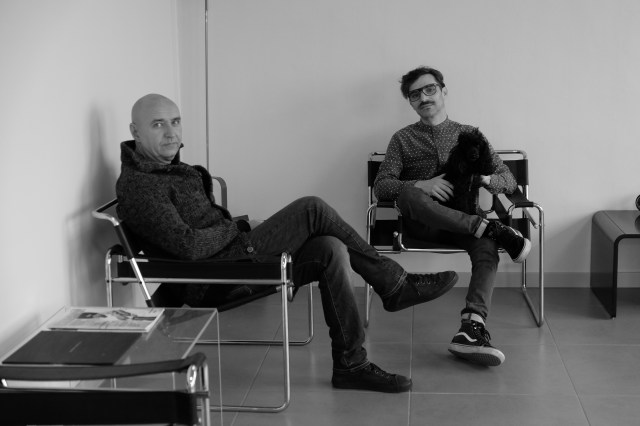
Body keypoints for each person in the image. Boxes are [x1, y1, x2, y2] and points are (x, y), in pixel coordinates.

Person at [116, 93, 460, 393]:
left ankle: (351, 364)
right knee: (312, 208)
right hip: (215, 277)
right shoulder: (142, 186)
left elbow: (198, 233)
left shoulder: (169, 171)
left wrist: (240, 227)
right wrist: (238, 229)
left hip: (230, 258)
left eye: (175, 121)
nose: (171, 132)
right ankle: (395, 285)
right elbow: (188, 246)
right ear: (135, 131)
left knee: (330, 247)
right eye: (158, 124)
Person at [374, 67, 532, 367]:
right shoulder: (402, 139)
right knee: (408, 195)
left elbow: (508, 180)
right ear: (410, 102)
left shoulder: (470, 135)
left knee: (486, 246)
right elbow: (382, 186)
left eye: (429, 89)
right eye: (415, 94)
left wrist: (485, 179)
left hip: (464, 222)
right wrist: (421, 184)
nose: (424, 97)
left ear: (443, 90)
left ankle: (471, 329)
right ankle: (488, 228)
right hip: (423, 224)